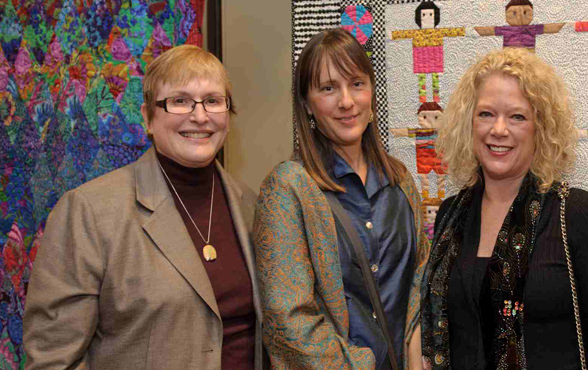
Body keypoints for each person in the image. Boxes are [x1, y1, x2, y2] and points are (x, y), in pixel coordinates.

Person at [23, 45, 263, 370]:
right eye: (179, 101)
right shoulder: (88, 213)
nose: (200, 115)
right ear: (148, 117)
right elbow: (53, 360)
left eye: (213, 100)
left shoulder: (251, 206)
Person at [421, 48, 588, 369]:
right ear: (468, 123)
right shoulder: (450, 214)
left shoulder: (574, 213)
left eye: (517, 116)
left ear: (540, 128)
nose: (499, 129)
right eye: (486, 114)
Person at [254, 28, 428, 369]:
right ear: (307, 103)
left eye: (357, 84)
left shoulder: (400, 181)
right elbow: (288, 321)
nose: (346, 101)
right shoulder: (288, 188)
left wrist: (416, 346)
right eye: (328, 88)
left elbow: (421, 280)